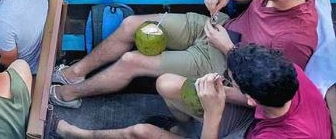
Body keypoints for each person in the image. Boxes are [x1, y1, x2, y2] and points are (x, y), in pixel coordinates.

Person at [50, 0, 319, 109]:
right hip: (219, 27)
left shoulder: (293, 39)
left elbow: (271, 93)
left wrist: (227, 47)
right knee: (132, 24)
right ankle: (74, 73)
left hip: (225, 61)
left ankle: (67, 94)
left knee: (132, 61)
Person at [54, 45, 333, 139]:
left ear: (251, 97)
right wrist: (216, 92)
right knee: (169, 84)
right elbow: (258, 103)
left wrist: (213, 112)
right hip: (256, 119)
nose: (225, 81)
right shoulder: (289, 72)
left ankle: (76, 134)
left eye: (229, 81)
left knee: (141, 132)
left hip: (251, 132)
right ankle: (181, 126)